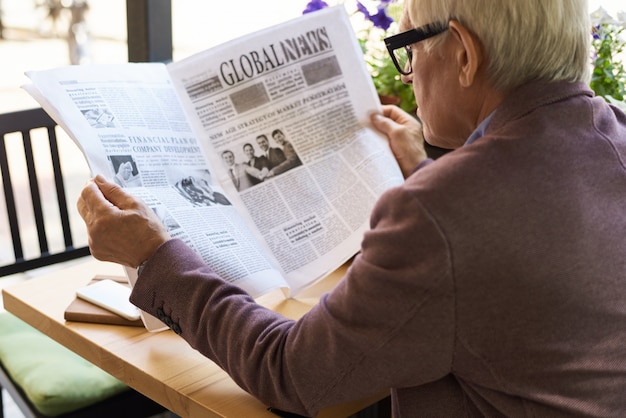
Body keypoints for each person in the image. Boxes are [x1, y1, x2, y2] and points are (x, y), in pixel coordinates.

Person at [77, 0, 626, 416]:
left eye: (409, 48)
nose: (407, 73)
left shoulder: (440, 213)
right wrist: (430, 169)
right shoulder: (616, 131)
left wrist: (155, 256)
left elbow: (290, 371)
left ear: (463, 53)